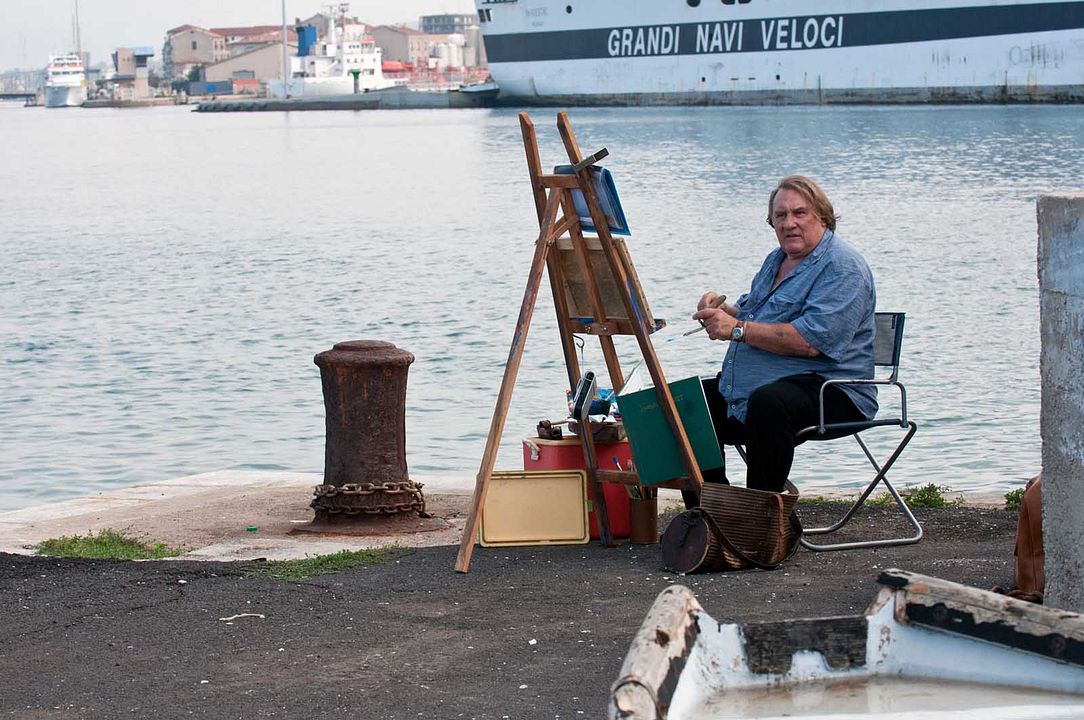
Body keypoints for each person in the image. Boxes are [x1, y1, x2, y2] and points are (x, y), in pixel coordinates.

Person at [690, 175, 877, 496]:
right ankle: (713, 515)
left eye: (799, 213)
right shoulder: (776, 260)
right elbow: (751, 316)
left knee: (770, 402)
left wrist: (735, 329)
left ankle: (760, 521)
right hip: (761, 388)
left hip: (833, 390)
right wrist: (721, 310)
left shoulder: (843, 268)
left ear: (823, 216)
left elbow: (811, 341)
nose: (789, 223)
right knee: (685, 404)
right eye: (780, 216)